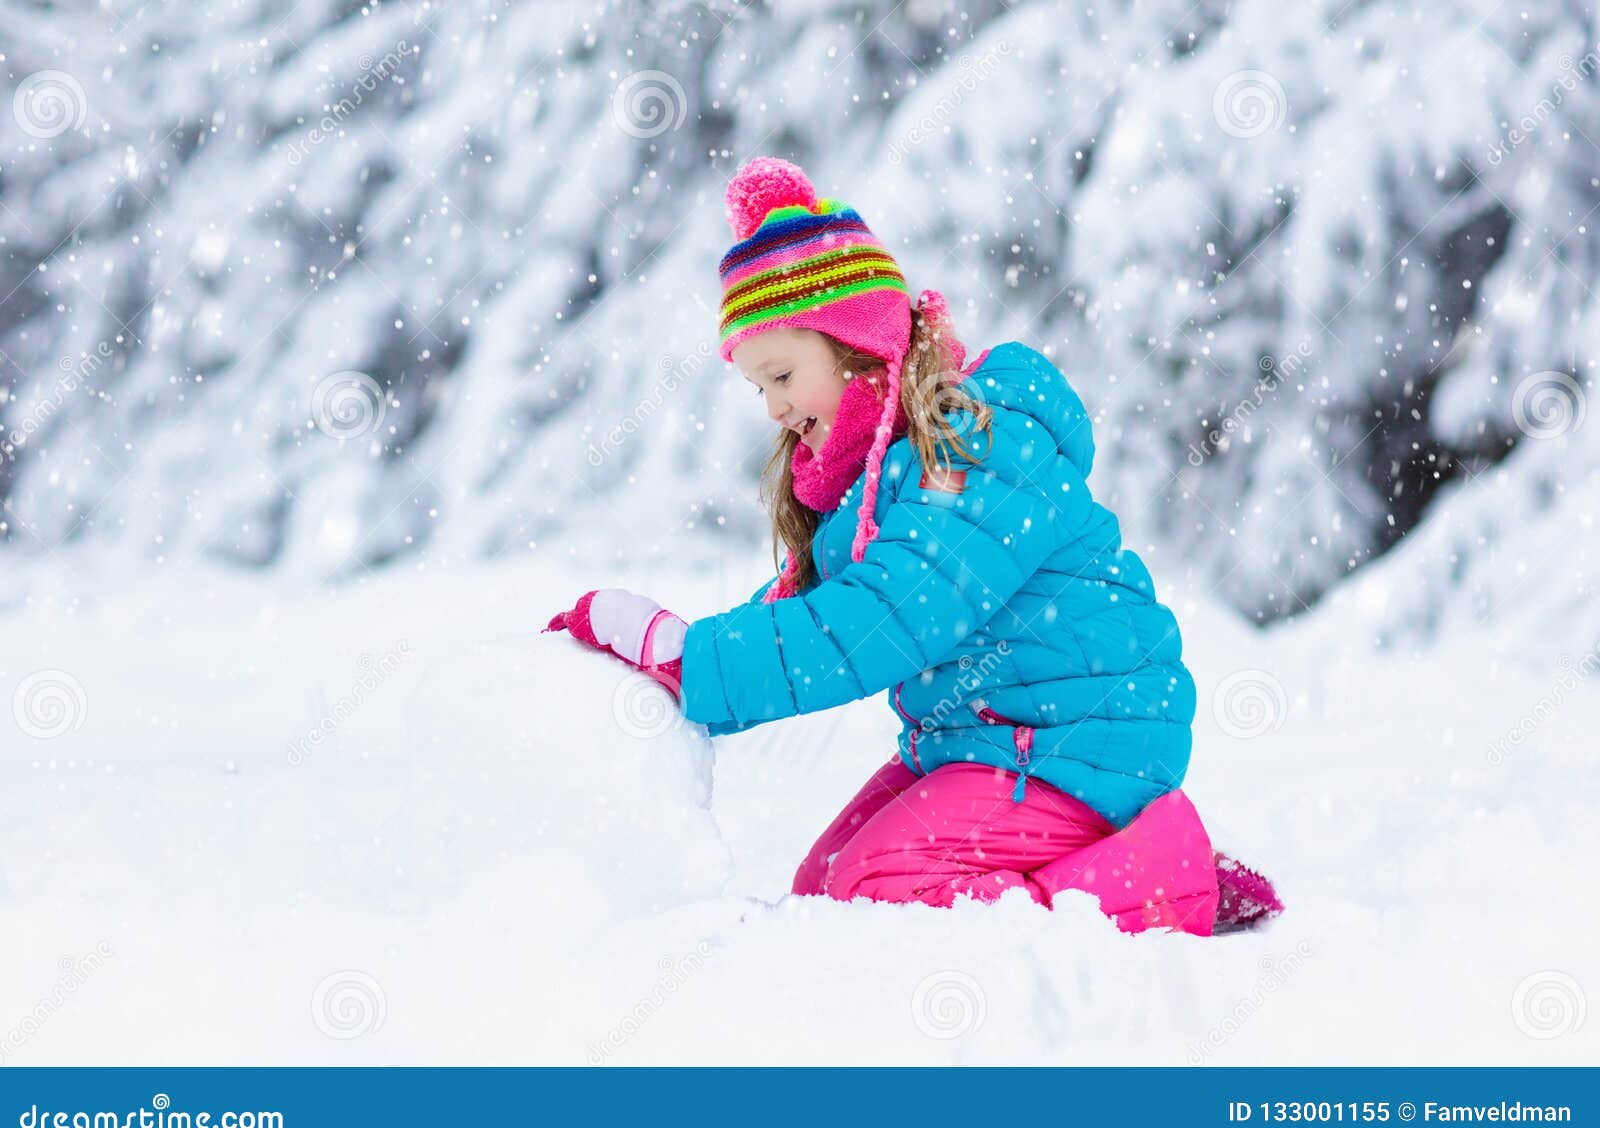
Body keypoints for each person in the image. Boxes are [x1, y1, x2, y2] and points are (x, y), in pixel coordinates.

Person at [546, 157, 1282, 934]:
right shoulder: (878, 484)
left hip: (1082, 743)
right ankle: (1092, 870)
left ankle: (1159, 876)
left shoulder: (974, 447)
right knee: (825, 888)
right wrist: (688, 658)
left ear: (857, 343)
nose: (772, 406)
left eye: (783, 373)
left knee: (877, 894)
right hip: (984, 743)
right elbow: (817, 615)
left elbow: (885, 615)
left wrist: (690, 660)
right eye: (758, 386)